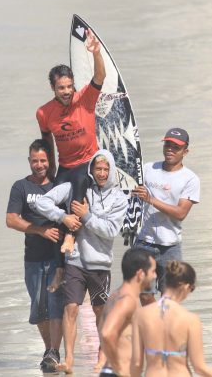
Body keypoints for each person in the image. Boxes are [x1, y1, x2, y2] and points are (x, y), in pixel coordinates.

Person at [35, 149, 128, 374]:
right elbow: (42, 202)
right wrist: (63, 216)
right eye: (98, 168)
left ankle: (103, 355)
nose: (102, 173)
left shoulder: (119, 198)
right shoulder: (77, 188)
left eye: (106, 169)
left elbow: (110, 230)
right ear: (91, 170)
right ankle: (69, 360)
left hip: (100, 263)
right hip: (75, 260)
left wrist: (86, 216)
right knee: (71, 308)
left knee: (99, 311)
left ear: (112, 170)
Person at [36, 28, 106, 254]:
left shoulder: (84, 99)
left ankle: (71, 237)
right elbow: (47, 144)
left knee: (78, 184)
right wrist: (50, 176)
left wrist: (96, 53)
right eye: (61, 88)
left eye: (69, 86)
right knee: (52, 204)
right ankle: (58, 262)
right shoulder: (44, 113)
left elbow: (100, 77)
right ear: (53, 88)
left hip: (88, 160)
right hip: (65, 165)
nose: (66, 92)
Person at [6, 139, 65, 372]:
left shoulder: (60, 185)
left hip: (57, 258)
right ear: (29, 161)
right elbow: (11, 219)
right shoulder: (21, 187)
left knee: (55, 305)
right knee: (38, 308)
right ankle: (49, 348)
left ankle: (54, 352)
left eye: (43, 160)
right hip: (32, 258)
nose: (39, 165)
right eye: (34, 161)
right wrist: (39, 230)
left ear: (49, 161)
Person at [132, 128, 200, 305]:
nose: (170, 149)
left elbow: (181, 213)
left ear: (185, 151)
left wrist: (150, 199)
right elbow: (129, 192)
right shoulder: (148, 169)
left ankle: (165, 329)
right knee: (145, 295)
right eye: (167, 145)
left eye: (176, 147)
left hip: (170, 247)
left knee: (170, 299)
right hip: (143, 241)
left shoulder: (190, 179)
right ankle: (153, 328)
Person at [131, 261, 212, 377]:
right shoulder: (191, 320)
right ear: (186, 287)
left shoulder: (141, 315)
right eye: (191, 289)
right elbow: (199, 367)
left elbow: (137, 364)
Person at [98, 248, 157, 377]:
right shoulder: (127, 300)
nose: (155, 276)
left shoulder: (115, 295)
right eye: (153, 271)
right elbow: (107, 333)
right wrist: (119, 368)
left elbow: (102, 329)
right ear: (141, 274)